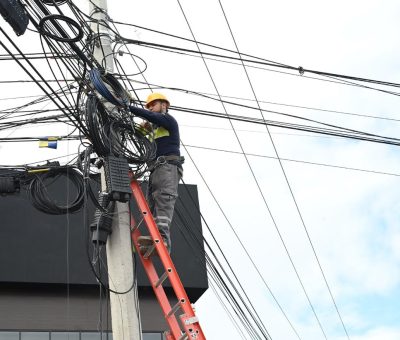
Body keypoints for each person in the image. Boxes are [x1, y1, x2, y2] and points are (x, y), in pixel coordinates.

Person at [129, 93, 184, 254]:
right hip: (155, 169)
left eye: (154, 104)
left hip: (168, 166)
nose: (151, 107)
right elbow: (134, 132)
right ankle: (155, 237)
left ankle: (163, 240)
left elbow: (149, 115)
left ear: (164, 105)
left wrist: (127, 106)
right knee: (151, 203)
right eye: (149, 105)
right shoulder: (152, 127)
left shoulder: (168, 120)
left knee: (164, 198)